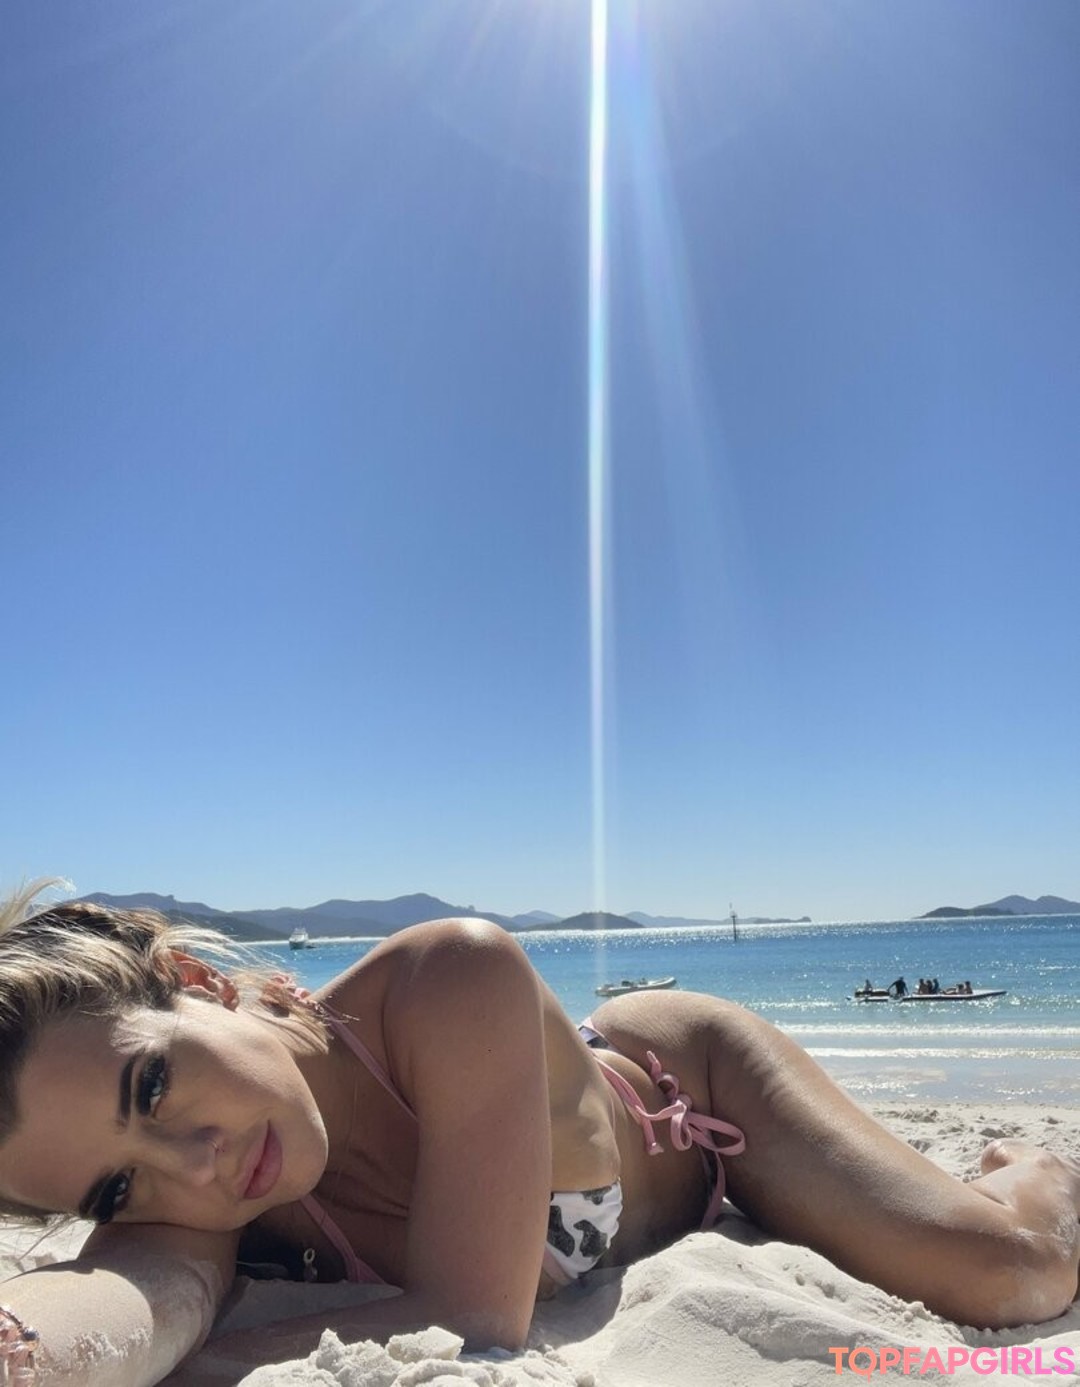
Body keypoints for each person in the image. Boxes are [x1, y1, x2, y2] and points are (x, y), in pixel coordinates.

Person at [0, 884, 1077, 1387]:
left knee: (1010, 1273)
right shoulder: (194, 1190)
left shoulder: (447, 974)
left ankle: (1030, 1165)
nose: (194, 1164)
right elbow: (108, 1307)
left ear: (194, 981)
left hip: (694, 1088)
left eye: (152, 1086)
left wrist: (195, 1357)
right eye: (111, 1191)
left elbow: (475, 1314)